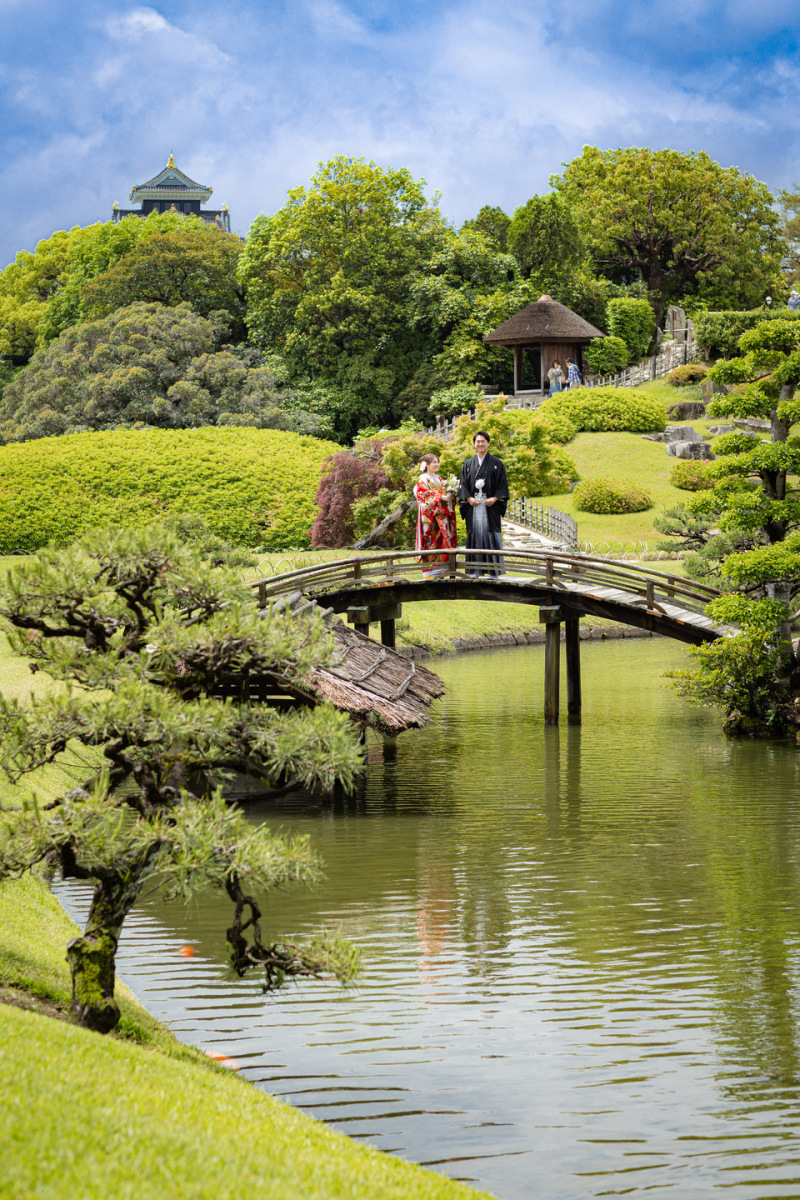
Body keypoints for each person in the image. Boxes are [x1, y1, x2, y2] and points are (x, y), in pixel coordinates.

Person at [458, 430, 509, 577]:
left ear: (488, 443)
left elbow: (502, 484)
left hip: (490, 506)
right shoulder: (467, 464)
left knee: (491, 534)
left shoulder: (497, 463)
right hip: (473, 506)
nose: (480, 444)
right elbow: (463, 484)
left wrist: (494, 498)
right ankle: (474, 571)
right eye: (477, 441)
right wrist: (468, 499)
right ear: (474, 444)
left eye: (483, 441)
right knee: (474, 535)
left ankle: (494, 571)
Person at [414, 452, 457, 577]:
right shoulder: (423, 478)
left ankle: (442, 567)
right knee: (431, 540)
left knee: (443, 539)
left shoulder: (440, 479)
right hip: (430, 516)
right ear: (426, 465)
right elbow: (422, 494)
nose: (437, 464)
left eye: (438, 462)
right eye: (434, 462)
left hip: (443, 514)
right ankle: (429, 570)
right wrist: (441, 496)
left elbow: (445, 494)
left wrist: (450, 496)